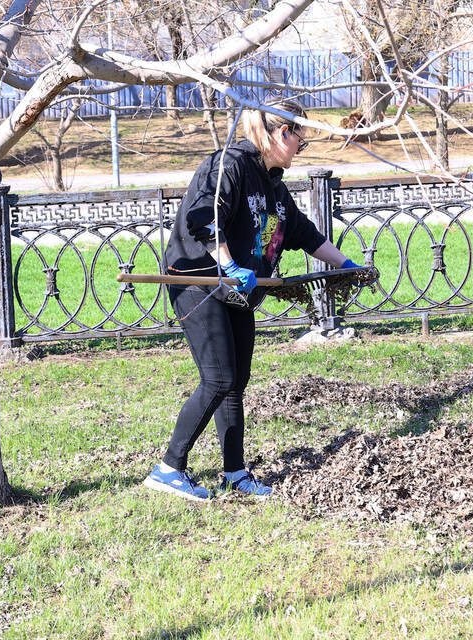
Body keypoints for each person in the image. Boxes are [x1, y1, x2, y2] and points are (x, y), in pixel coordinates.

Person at [143, 99, 369, 502]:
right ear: (282, 133)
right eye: (301, 136)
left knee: (236, 383)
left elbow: (301, 233)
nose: (302, 146)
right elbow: (202, 219)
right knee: (218, 379)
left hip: (240, 292)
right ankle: (168, 468)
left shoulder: (274, 184)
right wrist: (229, 264)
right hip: (201, 283)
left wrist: (346, 265)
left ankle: (234, 473)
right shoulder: (227, 165)